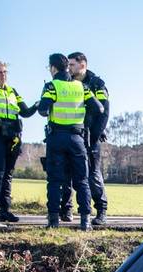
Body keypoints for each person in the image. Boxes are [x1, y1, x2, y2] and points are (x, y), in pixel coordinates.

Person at [38, 53, 101, 229]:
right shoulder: (82, 87)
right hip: (77, 138)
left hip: (56, 137)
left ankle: (53, 222)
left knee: (55, 181)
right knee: (81, 180)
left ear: (53, 68)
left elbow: (42, 110)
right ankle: (85, 222)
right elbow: (99, 108)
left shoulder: (52, 86)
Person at [0, 61, 38, 222]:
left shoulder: (13, 91)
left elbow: (25, 112)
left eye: (5, 72)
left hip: (12, 137)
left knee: (7, 175)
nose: (3, 75)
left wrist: (37, 104)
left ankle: (4, 210)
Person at [58, 52, 111, 225]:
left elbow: (104, 111)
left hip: (90, 136)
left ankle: (101, 210)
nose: (69, 68)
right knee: (67, 174)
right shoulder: (67, 83)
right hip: (71, 135)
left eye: (72, 65)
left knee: (92, 174)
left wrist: (95, 134)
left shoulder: (97, 83)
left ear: (82, 65)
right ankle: (66, 209)